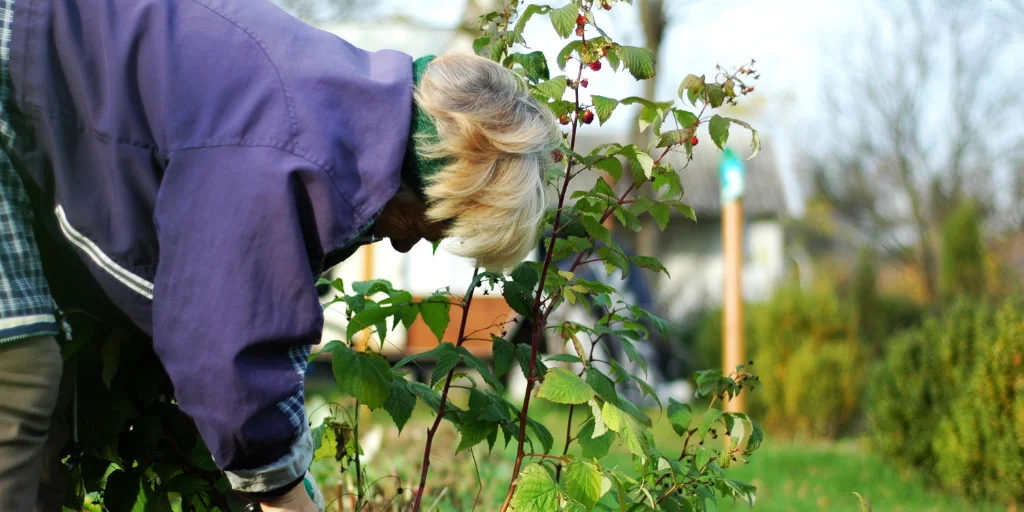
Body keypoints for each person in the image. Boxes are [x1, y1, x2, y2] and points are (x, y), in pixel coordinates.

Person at [0, 0, 559, 509]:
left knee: (44, 425)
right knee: (18, 373)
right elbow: (223, 342)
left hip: (40, 87)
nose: (407, 242)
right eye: (428, 225)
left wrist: (284, 467)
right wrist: (287, 496)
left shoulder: (343, 115)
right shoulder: (287, 146)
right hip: (12, 56)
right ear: (421, 176)